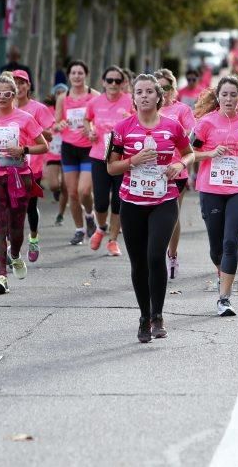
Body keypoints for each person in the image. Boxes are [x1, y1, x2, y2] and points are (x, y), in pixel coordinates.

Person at [107, 74, 194, 342]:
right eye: (139, 92)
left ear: (158, 97)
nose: (144, 96)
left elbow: (189, 152)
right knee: (138, 263)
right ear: (133, 98)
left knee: (155, 256)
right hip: (132, 202)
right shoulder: (122, 128)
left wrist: (180, 164)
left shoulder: (172, 126)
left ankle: (158, 316)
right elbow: (111, 167)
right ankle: (144, 317)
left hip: (164, 200)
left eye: (149, 92)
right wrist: (133, 160)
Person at [193, 76, 238, 316]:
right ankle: (221, 270)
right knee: (216, 249)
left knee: (230, 242)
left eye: (233, 95)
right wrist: (211, 153)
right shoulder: (206, 123)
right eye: (225, 94)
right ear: (218, 97)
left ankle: (224, 298)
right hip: (211, 189)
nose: (229, 99)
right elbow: (190, 153)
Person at [0, 74, 48, 292]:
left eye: (7, 94)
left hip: (19, 176)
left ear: (14, 95)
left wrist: (23, 150)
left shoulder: (24, 118)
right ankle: (1, 278)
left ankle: (14, 254)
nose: (2, 98)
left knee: (16, 226)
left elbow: (42, 146)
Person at [85, 66, 133, 255]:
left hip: (122, 157)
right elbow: (86, 119)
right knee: (101, 201)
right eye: (110, 80)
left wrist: (130, 118)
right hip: (99, 156)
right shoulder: (95, 102)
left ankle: (113, 240)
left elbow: (140, 121)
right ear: (103, 82)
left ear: (123, 83)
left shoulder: (130, 101)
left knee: (119, 200)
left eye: (118, 81)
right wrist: (89, 131)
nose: (113, 84)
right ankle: (101, 227)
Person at [154, 68, 196, 278]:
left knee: (171, 216)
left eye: (167, 86)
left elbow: (191, 134)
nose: (163, 90)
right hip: (150, 172)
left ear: (173, 88)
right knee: (151, 215)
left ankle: (172, 254)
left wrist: (179, 139)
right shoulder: (147, 110)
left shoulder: (182, 110)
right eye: (158, 87)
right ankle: (154, 256)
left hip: (175, 171)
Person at [54, 60, 100, 245]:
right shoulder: (63, 98)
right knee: (72, 193)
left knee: (84, 190)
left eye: (80, 73)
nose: (77, 76)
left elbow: (101, 120)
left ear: (86, 75)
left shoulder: (94, 96)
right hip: (69, 148)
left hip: (89, 148)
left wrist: (92, 128)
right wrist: (60, 125)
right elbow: (56, 124)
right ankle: (80, 229)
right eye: (73, 73)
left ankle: (89, 214)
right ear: (69, 76)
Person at [12, 69, 54, 262]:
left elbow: (50, 135)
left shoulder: (37, 108)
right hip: (9, 163)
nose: (19, 86)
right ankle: (13, 247)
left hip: (32, 163)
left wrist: (35, 129)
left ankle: (34, 237)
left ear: (28, 86)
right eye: (15, 82)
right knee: (12, 207)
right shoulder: (5, 108)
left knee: (29, 206)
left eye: (22, 83)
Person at [43, 84, 69, 225]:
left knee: (66, 186)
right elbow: (43, 126)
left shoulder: (70, 109)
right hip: (52, 152)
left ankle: (60, 214)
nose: (60, 95)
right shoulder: (47, 110)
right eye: (57, 92)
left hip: (67, 151)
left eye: (63, 92)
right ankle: (56, 192)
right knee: (53, 185)